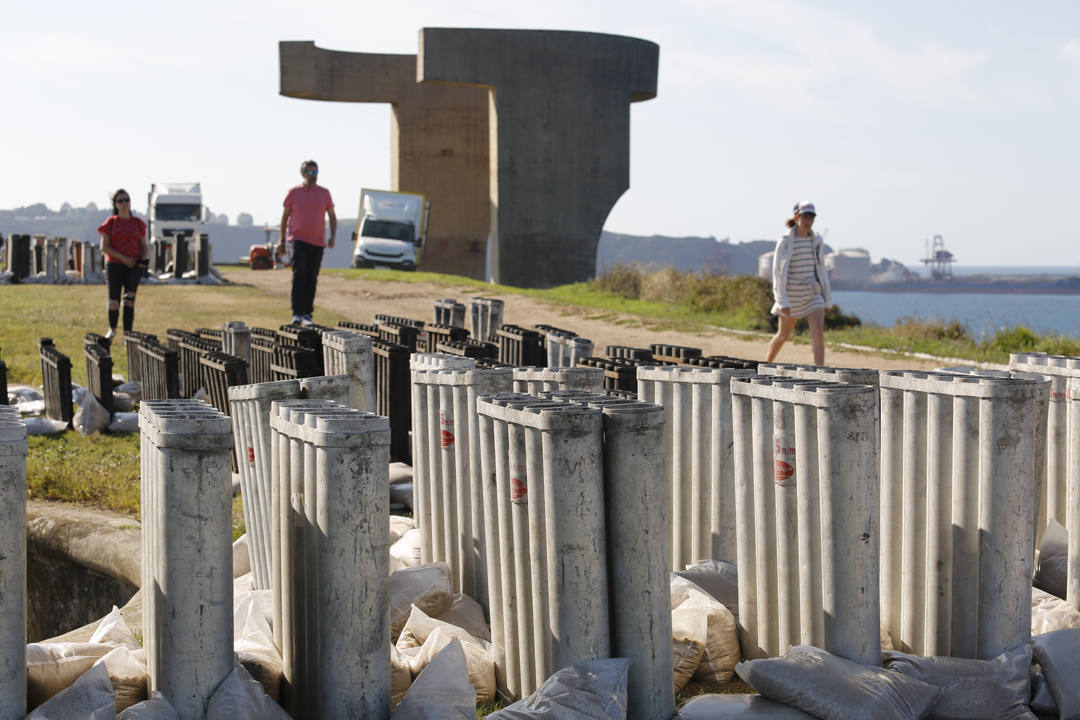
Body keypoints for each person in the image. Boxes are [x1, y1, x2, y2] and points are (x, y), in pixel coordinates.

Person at [766, 200, 832, 365]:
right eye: (805, 217)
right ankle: (765, 364)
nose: (808, 221)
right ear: (796, 217)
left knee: (818, 333)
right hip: (791, 295)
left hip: (813, 293)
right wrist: (782, 301)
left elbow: (821, 269)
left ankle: (819, 373)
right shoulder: (785, 241)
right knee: (783, 336)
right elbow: (778, 272)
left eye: (811, 217)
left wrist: (827, 298)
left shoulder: (816, 241)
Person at [277, 159, 336, 325]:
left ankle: (307, 314)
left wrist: (332, 236)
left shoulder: (324, 193)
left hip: (317, 242)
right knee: (299, 274)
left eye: (315, 172)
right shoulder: (294, 193)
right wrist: (281, 240)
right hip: (298, 240)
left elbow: (332, 216)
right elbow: (284, 217)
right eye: (310, 172)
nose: (313, 176)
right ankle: (297, 313)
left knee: (312, 277)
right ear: (303, 173)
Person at [98, 188, 148, 339]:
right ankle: (112, 329)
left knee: (129, 300)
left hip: (133, 266)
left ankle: (128, 334)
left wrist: (143, 261)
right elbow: (104, 247)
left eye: (127, 200)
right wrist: (122, 258)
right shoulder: (110, 223)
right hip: (114, 266)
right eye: (121, 201)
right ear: (115, 204)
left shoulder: (138, 224)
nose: (124, 203)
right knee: (114, 300)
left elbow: (143, 245)